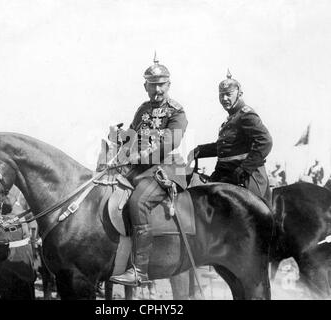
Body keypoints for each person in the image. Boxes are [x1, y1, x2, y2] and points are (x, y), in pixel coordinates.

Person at [109, 54, 188, 286]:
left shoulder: (176, 111)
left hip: (169, 169)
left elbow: (169, 143)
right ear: (145, 86)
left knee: (139, 202)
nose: (157, 90)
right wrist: (117, 136)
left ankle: (139, 271)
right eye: (153, 85)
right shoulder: (142, 109)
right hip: (140, 170)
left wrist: (140, 155)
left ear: (169, 85)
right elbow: (131, 136)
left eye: (161, 84)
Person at [188, 70, 273, 205]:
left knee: (254, 216)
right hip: (225, 173)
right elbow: (225, 148)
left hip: (245, 176)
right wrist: (198, 150)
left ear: (239, 94)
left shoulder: (246, 115)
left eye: (228, 94)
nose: (224, 99)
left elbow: (265, 142)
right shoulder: (231, 119)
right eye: (221, 95)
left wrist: (245, 168)